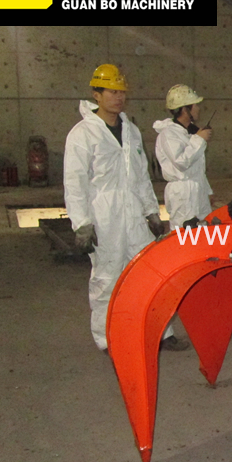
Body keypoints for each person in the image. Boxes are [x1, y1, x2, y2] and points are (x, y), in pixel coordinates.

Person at [64, 64, 189, 352]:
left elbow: (141, 175)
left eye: (121, 92)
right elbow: (74, 181)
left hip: (133, 215)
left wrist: (151, 212)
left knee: (151, 275)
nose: (118, 97)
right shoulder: (83, 134)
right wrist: (81, 223)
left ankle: (162, 332)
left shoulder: (130, 130)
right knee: (107, 279)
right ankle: (106, 339)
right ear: (96, 94)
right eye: (111, 92)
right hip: (104, 217)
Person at [154, 84, 214, 230]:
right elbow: (181, 162)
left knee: (204, 233)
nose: (198, 109)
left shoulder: (188, 133)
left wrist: (207, 191)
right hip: (182, 195)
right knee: (184, 235)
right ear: (185, 109)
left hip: (197, 190)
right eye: (195, 105)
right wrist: (199, 139)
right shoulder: (168, 134)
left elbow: (197, 168)